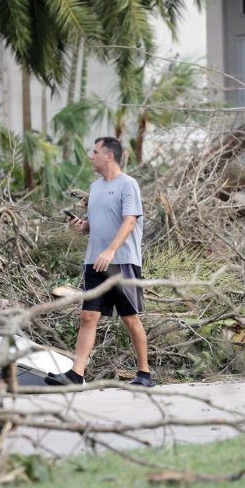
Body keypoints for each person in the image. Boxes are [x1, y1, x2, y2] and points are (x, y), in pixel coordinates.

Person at [46, 136, 155, 388]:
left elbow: (130, 221)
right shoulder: (95, 188)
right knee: (88, 316)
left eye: (95, 151)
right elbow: (92, 225)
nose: (90, 156)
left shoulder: (129, 184)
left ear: (109, 155)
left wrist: (110, 251)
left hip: (122, 262)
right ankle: (77, 373)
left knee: (130, 318)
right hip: (94, 262)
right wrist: (81, 227)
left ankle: (145, 373)